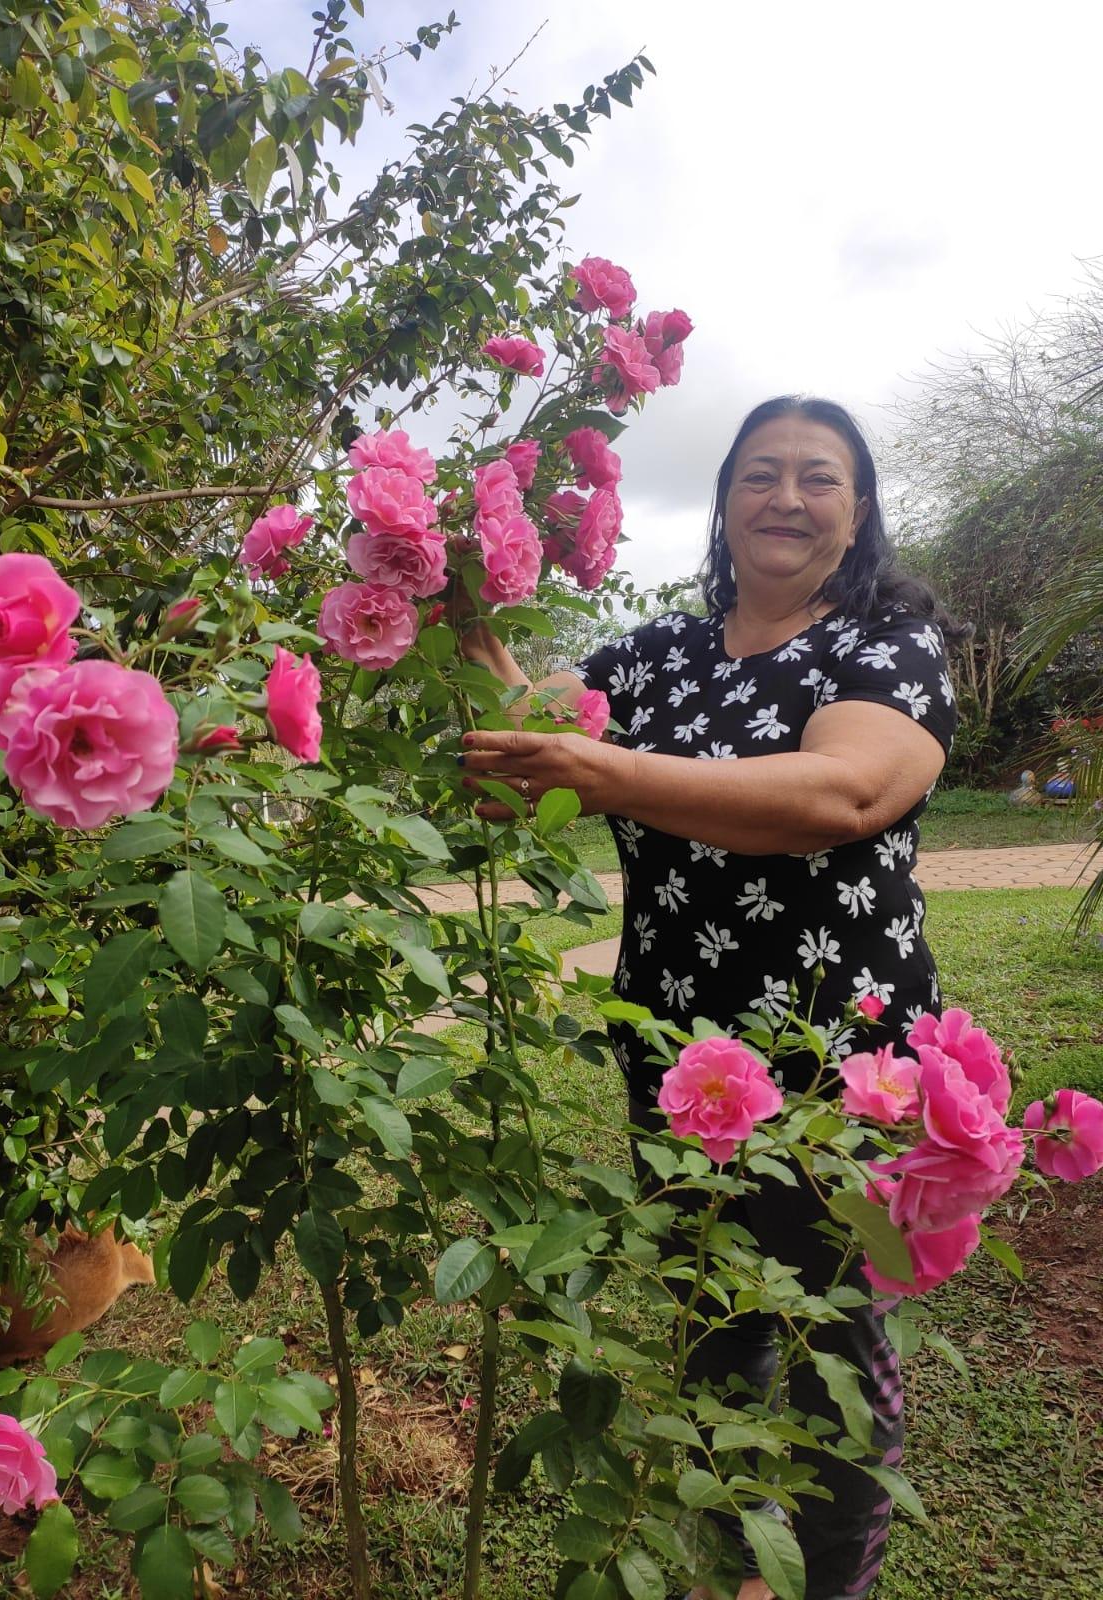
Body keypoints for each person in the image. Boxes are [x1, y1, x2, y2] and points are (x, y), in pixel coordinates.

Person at [458, 396, 960, 1600]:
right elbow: (535, 747)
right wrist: (463, 608)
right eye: (760, 474)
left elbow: (842, 794)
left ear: (859, 508)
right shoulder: (650, 656)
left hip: (846, 1061)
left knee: (836, 1338)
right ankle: (725, 1563)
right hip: (684, 1057)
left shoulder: (886, 638)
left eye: (819, 478)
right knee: (712, 1330)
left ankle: (822, 1586)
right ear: (725, 501)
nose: (787, 497)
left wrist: (607, 768)